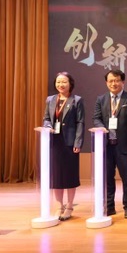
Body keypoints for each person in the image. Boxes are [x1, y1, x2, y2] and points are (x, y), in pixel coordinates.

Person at [93, 69, 127, 219]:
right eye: (110, 81)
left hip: (125, 146)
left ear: (123, 82)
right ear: (106, 83)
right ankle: (109, 206)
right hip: (106, 146)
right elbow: (96, 118)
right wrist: (101, 127)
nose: (114, 83)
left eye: (117, 80)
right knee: (108, 178)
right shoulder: (101, 99)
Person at [42, 72, 85, 221]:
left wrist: (78, 142)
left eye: (64, 82)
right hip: (55, 142)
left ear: (70, 84)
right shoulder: (50, 99)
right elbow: (46, 118)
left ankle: (70, 206)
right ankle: (59, 206)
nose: (61, 85)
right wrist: (48, 126)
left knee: (70, 176)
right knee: (57, 177)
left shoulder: (77, 100)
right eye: (58, 82)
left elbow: (80, 123)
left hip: (70, 143)